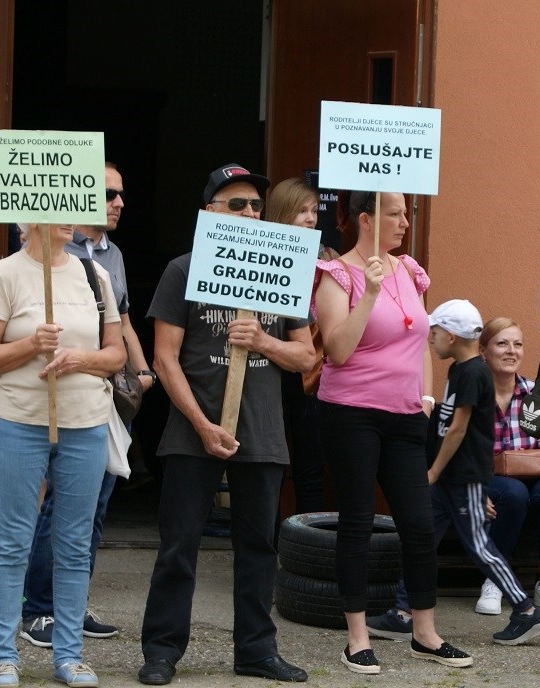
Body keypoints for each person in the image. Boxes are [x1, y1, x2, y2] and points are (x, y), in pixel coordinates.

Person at [138, 164, 313, 685]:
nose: (250, 213)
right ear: (208, 213)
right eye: (236, 205)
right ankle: (162, 650)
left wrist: (262, 341)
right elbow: (165, 359)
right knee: (179, 545)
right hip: (192, 433)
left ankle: (256, 651)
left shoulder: (283, 268)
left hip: (261, 432)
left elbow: (305, 358)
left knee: (259, 547)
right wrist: (202, 423)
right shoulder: (181, 270)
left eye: (256, 205)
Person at [316, 190, 471, 674]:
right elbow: (337, 350)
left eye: (407, 213)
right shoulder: (336, 274)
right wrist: (368, 293)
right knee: (359, 522)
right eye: (396, 214)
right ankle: (357, 637)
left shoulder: (409, 270)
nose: (406, 221)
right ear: (367, 219)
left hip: (405, 416)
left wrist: (427, 399)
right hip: (351, 413)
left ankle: (424, 631)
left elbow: (421, 339)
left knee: (420, 524)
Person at [0, 221, 127, 688]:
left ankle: (69, 655)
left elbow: (116, 354)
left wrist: (82, 359)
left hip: (86, 423)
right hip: (20, 422)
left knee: (76, 544)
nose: (69, 216)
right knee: (12, 541)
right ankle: (2, 656)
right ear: (29, 218)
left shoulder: (93, 274)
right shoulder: (2, 274)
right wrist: (28, 345)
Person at [18, 162, 156, 649]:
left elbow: (122, 318)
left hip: (103, 394)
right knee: (59, 504)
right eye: (109, 193)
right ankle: (38, 610)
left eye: (121, 194)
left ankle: (70, 604)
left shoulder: (111, 254)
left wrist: (141, 373)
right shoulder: (48, 248)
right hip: (56, 393)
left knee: (94, 506)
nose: (119, 202)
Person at [376, 301, 540, 650]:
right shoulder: (461, 371)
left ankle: (525, 608)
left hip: (462, 477)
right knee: (422, 537)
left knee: (479, 546)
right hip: (450, 480)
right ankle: (403, 612)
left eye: (436, 333)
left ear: (452, 336)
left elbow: (458, 429)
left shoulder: (472, 373)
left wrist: (434, 470)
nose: (431, 340)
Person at [474, 317, 540, 617]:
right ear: (483, 350)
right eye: (502, 343)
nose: (511, 351)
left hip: (535, 473)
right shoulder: (473, 393)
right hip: (491, 479)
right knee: (513, 492)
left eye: (518, 344)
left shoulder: (535, 394)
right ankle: (496, 580)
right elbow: (457, 450)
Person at [266, 177, 337, 514]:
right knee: (269, 466)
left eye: (313, 210)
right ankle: (269, 548)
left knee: (310, 468)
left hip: (312, 373)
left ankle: (308, 552)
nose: (311, 218)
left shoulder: (329, 258)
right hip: (267, 370)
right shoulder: (261, 254)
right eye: (301, 211)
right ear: (281, 214)